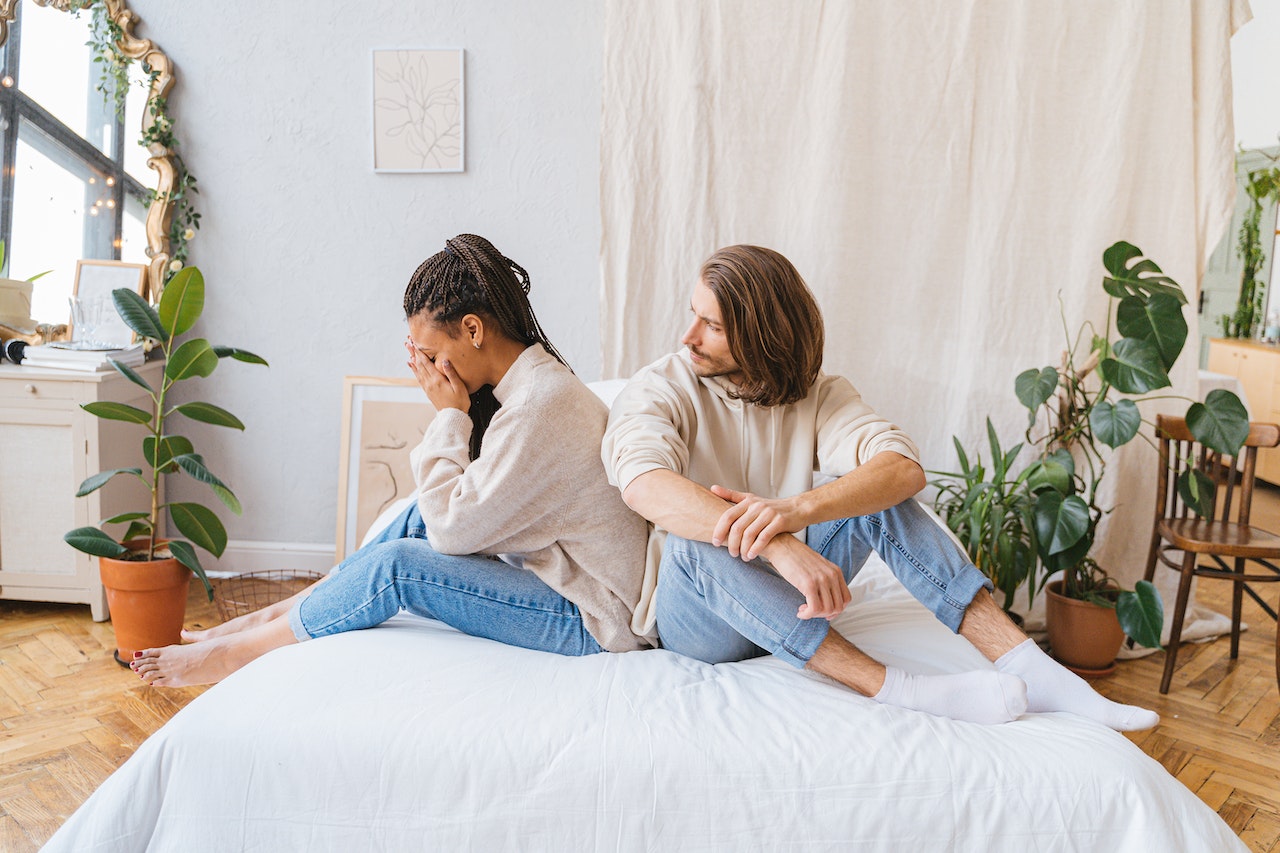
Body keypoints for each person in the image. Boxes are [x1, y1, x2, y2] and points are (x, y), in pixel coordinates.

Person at [601, 243, 1160, 730]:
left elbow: (901, 468)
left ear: (762, 337)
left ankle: (1029, 669)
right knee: (690, 544)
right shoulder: (661, 387)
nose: (688, 336)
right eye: (695, 315)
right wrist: (779, 543)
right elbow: (645, 484)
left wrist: (797, 509)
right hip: (704, 621)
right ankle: (900, 690)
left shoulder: (817, 392)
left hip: (792, 603)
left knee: (874, 492)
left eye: (713, 326)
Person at [132, 234, 652, 687]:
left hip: (595, 618)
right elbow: (454, 514)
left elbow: (451, 532)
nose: (425, 369)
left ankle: (236, 652)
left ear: (473, 329)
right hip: (575, 589)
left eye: (429, 354)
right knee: (414, 515)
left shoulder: (542, 405)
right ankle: (274, 616)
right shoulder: (534, 387)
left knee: (396, 566)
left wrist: (451, 415)